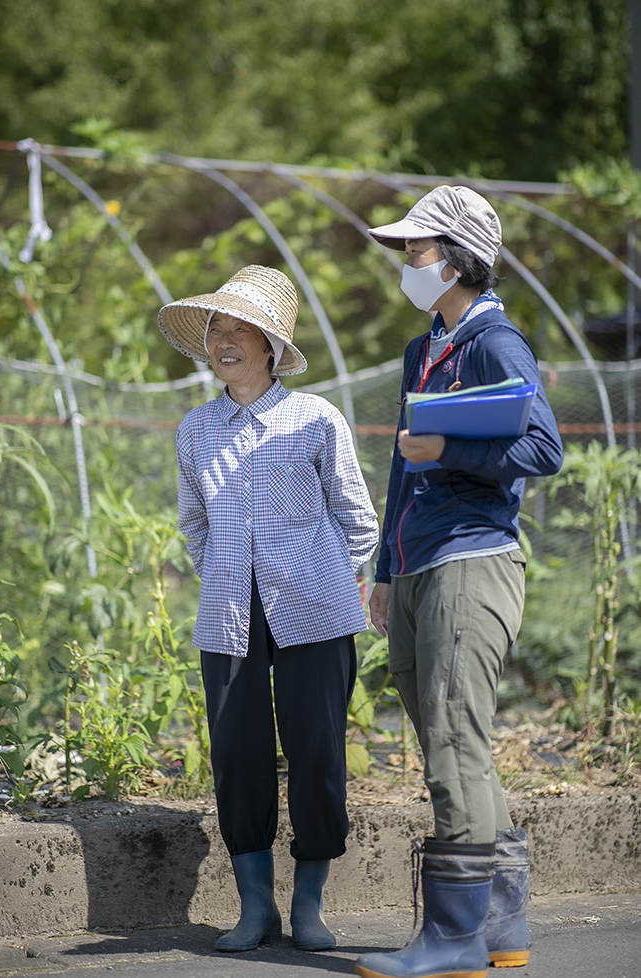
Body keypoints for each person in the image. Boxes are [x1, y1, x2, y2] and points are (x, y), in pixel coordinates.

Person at [354, 187, 563, 978]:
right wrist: (383, 570)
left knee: (452, 740)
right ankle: (502, 926)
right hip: (415, 567)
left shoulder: (495, 343)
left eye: (418, 249)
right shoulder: (424, 349)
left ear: (459, 255)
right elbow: (403, 465)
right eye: (407, 251)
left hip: (473, 561)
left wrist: (448, 451)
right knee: (450, 737)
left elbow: (543, 451)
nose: (408, 263)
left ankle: (453, 937)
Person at [157, 264, 379, 953]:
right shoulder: (197, 429)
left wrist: (325, 581)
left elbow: (357, 518)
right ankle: (257, 908)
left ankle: (308, 904)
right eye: (215, 330)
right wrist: (226, 569)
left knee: (316, 753)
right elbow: (194, 522)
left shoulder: (315, 418)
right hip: (227, 612)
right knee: (237, 756)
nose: (223, 342)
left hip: (315, 607)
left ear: (271, 348)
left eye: (238, 330)